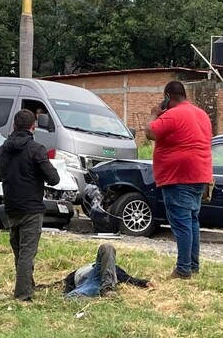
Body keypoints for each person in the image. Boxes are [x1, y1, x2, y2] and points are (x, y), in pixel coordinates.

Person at [145, 81, 213, 279]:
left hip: (178, 176)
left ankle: (183, 269)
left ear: (168, 96)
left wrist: (153, 113)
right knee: (191, 220)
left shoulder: (173, 114)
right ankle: (193, 265)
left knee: (182, 223)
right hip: (200, 174)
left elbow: (150, 133)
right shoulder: (201, 114)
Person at [0, 109, 60, 301]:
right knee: (27, 253)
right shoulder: (36, 149)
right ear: (34, 126)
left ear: (14, 125)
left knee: (19, 250)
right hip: (31, 207)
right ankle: (23, 295)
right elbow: (53, 179)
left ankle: (27, 285)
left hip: (11, 206)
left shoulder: (2, 149)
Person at [63, 243, 155, 299]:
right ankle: (105, 290)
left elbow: (127, 278)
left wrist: (144, 283)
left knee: (107, 247)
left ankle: (106, 289)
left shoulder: (114, 269)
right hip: (90, 279)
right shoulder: (84, 275)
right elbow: (67, 283)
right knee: (72, 296)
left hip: (103, 280)